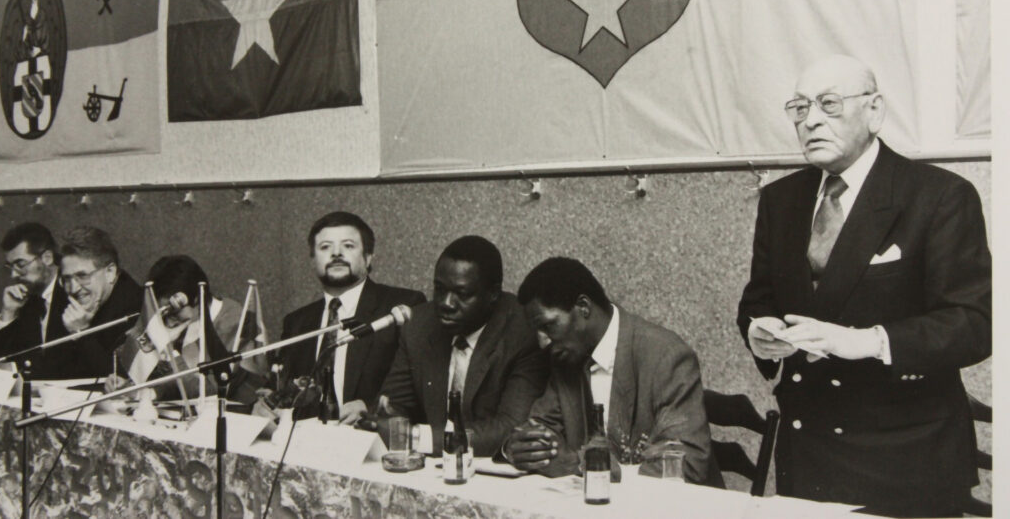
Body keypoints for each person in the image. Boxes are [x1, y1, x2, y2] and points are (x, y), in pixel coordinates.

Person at [737, 54, 991, 517]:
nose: (810, 120)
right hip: (807, 454)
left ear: (874, 110)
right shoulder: (781, 199)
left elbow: (974, 323)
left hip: (904, 463)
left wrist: (867, 341)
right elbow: (758, 300)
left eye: (829, 104)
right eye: (799, 108)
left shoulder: (939, 196)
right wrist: (759, 330)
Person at [505, 257, 721, 486]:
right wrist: (517, 447)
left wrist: (580, 466)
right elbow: (540, 426)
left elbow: (686, 465)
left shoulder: (667, 356)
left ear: (583, 307)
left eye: (548, 326)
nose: (543, 342)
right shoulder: (565, 358)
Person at [378, 236, 547, 456]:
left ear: (493, 294)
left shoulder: (523, 332)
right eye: (439, 289)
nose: (446, 303)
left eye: (462, 294)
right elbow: (391, 406)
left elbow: (512, 427)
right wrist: (390, 420)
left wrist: (419, 438)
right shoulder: (419, 324)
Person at [276, 212, 425, 423]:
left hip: (373, 440)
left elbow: (419, 384)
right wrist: (271, 403)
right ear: (312, 259)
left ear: (368, 256)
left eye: (348, 245)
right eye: (325, 247)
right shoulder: (297, 322)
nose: (336, 253)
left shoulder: (402, 306)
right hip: (308, 441)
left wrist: (369, 406)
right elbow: (289, 386)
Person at [107, 255, 268, 405]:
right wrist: (135, 390)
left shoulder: (235, 321)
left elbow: (211, 390)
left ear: (197, 298)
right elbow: (173, 381)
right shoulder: (188, 317)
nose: (168, 320)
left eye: (173, 312)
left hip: (237, 414)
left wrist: (168, 350)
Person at [50, 226, 142, 379]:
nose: (73, 288)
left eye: (82, 275)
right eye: (67, 279)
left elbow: (120, 380)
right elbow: (53, 370)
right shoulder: (70, 301)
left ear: (110, 272)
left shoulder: (136, 306)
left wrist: (81, 333)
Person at [0, 223, 65, 374]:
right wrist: (8, 313)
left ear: (47, 257)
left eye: (20, 264)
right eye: (10, 267)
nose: (14, 275)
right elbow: (0, 367)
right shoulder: (27, 299)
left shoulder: (75, 290)